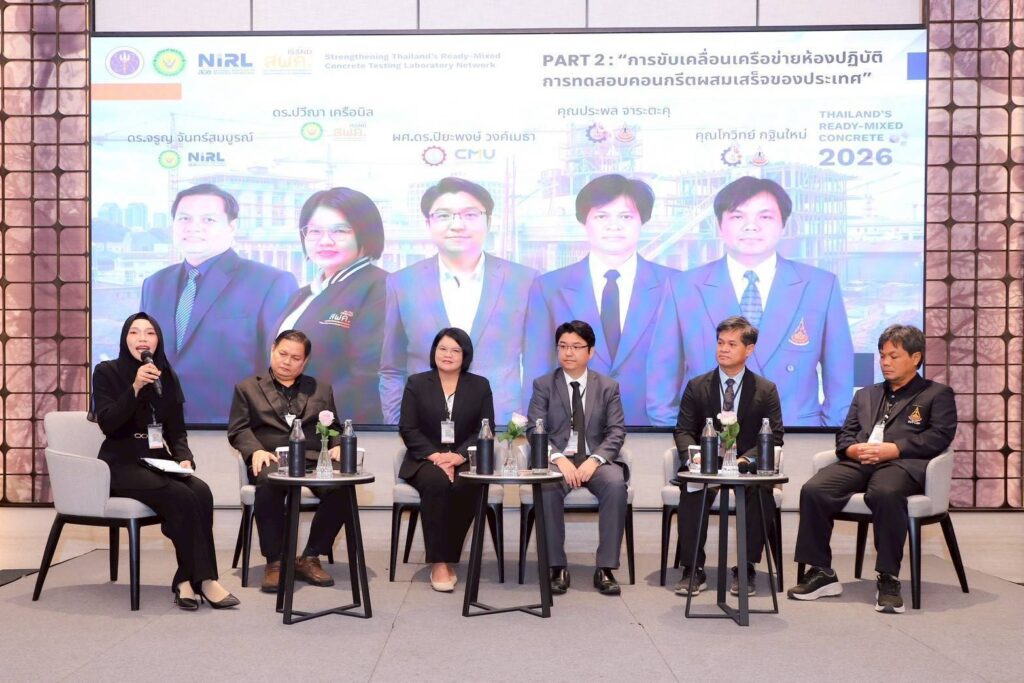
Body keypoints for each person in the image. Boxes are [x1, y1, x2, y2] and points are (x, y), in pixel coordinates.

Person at [646, 176, 853, 428]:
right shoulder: (683, 287)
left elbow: (840, 375)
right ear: (719, 226)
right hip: (708, 438)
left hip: (794, 434)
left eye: (765, 217)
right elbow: (661, 375)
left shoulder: (821, 286)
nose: (751, 226)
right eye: (738, 216)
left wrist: (824, 437)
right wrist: (681, 438)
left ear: (784, 225)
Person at [788, 324, 957, 614]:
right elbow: (845, 434)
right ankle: (821, 572)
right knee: (814, 489)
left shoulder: (936, 394)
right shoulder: (866, 394)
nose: (885, 362)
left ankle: (888, 578)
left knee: (885, 493)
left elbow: (939, 437)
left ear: (916, 358)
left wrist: (895, 449)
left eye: (894, 356)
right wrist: (852, 450)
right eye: (882, 355)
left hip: (901, 464)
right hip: (860, 461)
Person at [92, 313, 239, 610]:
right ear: (125, 338)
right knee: (179, 495)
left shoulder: (166, 375)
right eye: (134, 332)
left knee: (200, 491)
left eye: (149, 333)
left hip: (158, 459)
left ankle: (186, 580)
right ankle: (205, 580)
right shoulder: (107, 372)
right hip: (121, 462)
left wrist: (184, 458)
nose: (142, 339)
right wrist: (134, 388)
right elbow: (108, 424)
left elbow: (176, 430)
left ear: (158, 341)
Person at [380, 177, 537, 425]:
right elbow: (391, 368)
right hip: (424, 429)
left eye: (470, 215)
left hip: (501, 427)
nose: (457, 225)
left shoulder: (524, 280)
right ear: (428, 223)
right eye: (444, 215)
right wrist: (397, 424)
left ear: (489, 221)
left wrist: (527, 425)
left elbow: (536, 366)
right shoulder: (402, 283)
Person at [140, 183, 298, 425]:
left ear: (232, 227)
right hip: (160, 426)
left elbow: (281, 366)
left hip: (233, 427)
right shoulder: (154, 283)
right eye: (184, 218)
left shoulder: (271, 282)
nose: (193, 227)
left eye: (208, 219)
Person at [523, 174, 674, 425]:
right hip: (572, 429)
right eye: (601, 216)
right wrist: (537, 430)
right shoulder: (549, 287)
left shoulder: (674, 285)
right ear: (584, 222)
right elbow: (537, 367)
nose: (614, 226)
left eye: (626, 217)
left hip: (654, 427)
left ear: (642, 221)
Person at [227, 329, 348, 593]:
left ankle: (310, 556)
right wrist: (255, 450)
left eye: (295, 358)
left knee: (343, 486)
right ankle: (276, 562)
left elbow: (335, 427)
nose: (287, 362)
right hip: (271, 457)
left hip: (313, 459)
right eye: (283, 354)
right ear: (272, 350)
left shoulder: (321, 389)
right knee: (270, 483)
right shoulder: (247, 388)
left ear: (305, 361)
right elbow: (238, 429)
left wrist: (338, 444)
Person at [671, 316, 784, 597]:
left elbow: (774, 437)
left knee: (760, 492)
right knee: (692, 488)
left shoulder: (766, 389)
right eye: (720, 342)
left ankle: (746, 567)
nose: (723, 349)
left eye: (732, 344)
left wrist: (746, 461)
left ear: (749, 349)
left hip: (744, 467)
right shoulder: (697, 386)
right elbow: (683, 431)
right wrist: (694, 456)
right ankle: (693, 568)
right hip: (707, 464)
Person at [526, 320, 628, 596]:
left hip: (594, 460)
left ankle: (605, 568)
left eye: (576, 347)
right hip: (558, 460)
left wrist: (595, 460)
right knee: (547, 486)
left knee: (615, 484)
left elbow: (616, 431)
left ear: (590, 352)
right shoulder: (543, 385)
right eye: (563, 346)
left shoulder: (607, 386)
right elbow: (534, 429)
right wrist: (559, 458)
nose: (568, 352)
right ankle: (557, 567)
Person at [276, 187, 387, 423]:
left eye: (339, 230)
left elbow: (368, 375)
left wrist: (304, 413)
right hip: (289, 425)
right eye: (315, 231)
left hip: (339, 428)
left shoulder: (380, 288)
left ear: (365, 233)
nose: (325, 241)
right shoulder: (302, 295)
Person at [398, 327, 495, 592]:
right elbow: (408, 428)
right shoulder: (417, 383)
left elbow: (485, 429)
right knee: (437, 482)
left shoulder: (480, 385)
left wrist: (458, 456)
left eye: (455, 350)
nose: (448, 355)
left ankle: (449, 555)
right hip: (425, 459)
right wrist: (438, 456)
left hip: (464, 458)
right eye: (442, 348)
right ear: (434, 352)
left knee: (468, 484)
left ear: (465, 355)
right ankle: (439, 563)